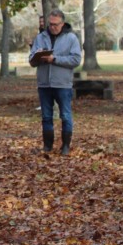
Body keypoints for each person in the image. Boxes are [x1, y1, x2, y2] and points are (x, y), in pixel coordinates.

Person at [29, 9, 82, 155]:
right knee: (46, 116)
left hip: (63, 83)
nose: (52, 27)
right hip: (44, 84)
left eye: (55, 24)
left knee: (65, 115)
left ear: (62, 23)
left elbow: (76, 59)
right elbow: (31, 60)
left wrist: (55, 59)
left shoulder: (71, 38)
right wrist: (38, 57)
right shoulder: (40, 37)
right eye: (50, 24)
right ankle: (47, 146)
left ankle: (65, 146)